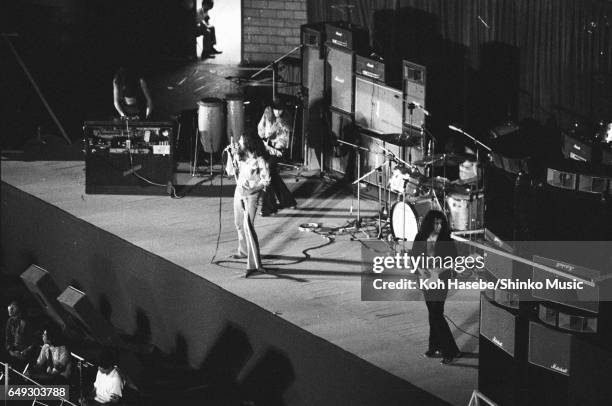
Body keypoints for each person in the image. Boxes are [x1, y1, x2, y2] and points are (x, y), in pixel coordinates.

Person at [412, 210, 462, 365]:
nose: (439, 226)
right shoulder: (420, 237)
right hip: (425, 279)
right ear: (429, 223)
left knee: (436, 314)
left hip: (441, 280)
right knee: (432, 313)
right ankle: (434, 346)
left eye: (441, 223)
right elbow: (414, 256)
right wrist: (421, 271)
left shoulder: (446, 239)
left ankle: (451, 351)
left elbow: (453, 260)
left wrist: (439, 270)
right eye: (436, 223)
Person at [227, 132, 271, 277]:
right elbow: (229, 171)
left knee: (248, 227)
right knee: (238, 223)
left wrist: (251, 190)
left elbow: (266, 181)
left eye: (241, 142)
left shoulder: (260, 160)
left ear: (248, 144)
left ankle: (255, 264)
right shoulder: (240, 156)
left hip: (251, 195)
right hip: (239, 192)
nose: (238, 144)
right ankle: (243, 251)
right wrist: (230, 155)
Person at [257, 102, 298, 216]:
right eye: (276, 109)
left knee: (268, 172)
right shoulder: (267, 115)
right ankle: (288, 202)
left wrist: (271, 137)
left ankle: (269, 208)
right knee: (272, 175)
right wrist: (266, 135)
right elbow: (260, 130)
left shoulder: (284, 120)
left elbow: (284, 141)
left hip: (278, 151)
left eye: (280, 110)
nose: (278, 112)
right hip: (266, 149)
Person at [4, 301, 35, 370]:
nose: (12, 318)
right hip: (13, 353)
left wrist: (25, 351)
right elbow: (7, 339)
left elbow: (35, 342)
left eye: (14, 315)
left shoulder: (28, 323)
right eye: (11, 316)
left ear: (19, 313)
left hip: (25, 355)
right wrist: (11, 351)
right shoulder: (10, 321)